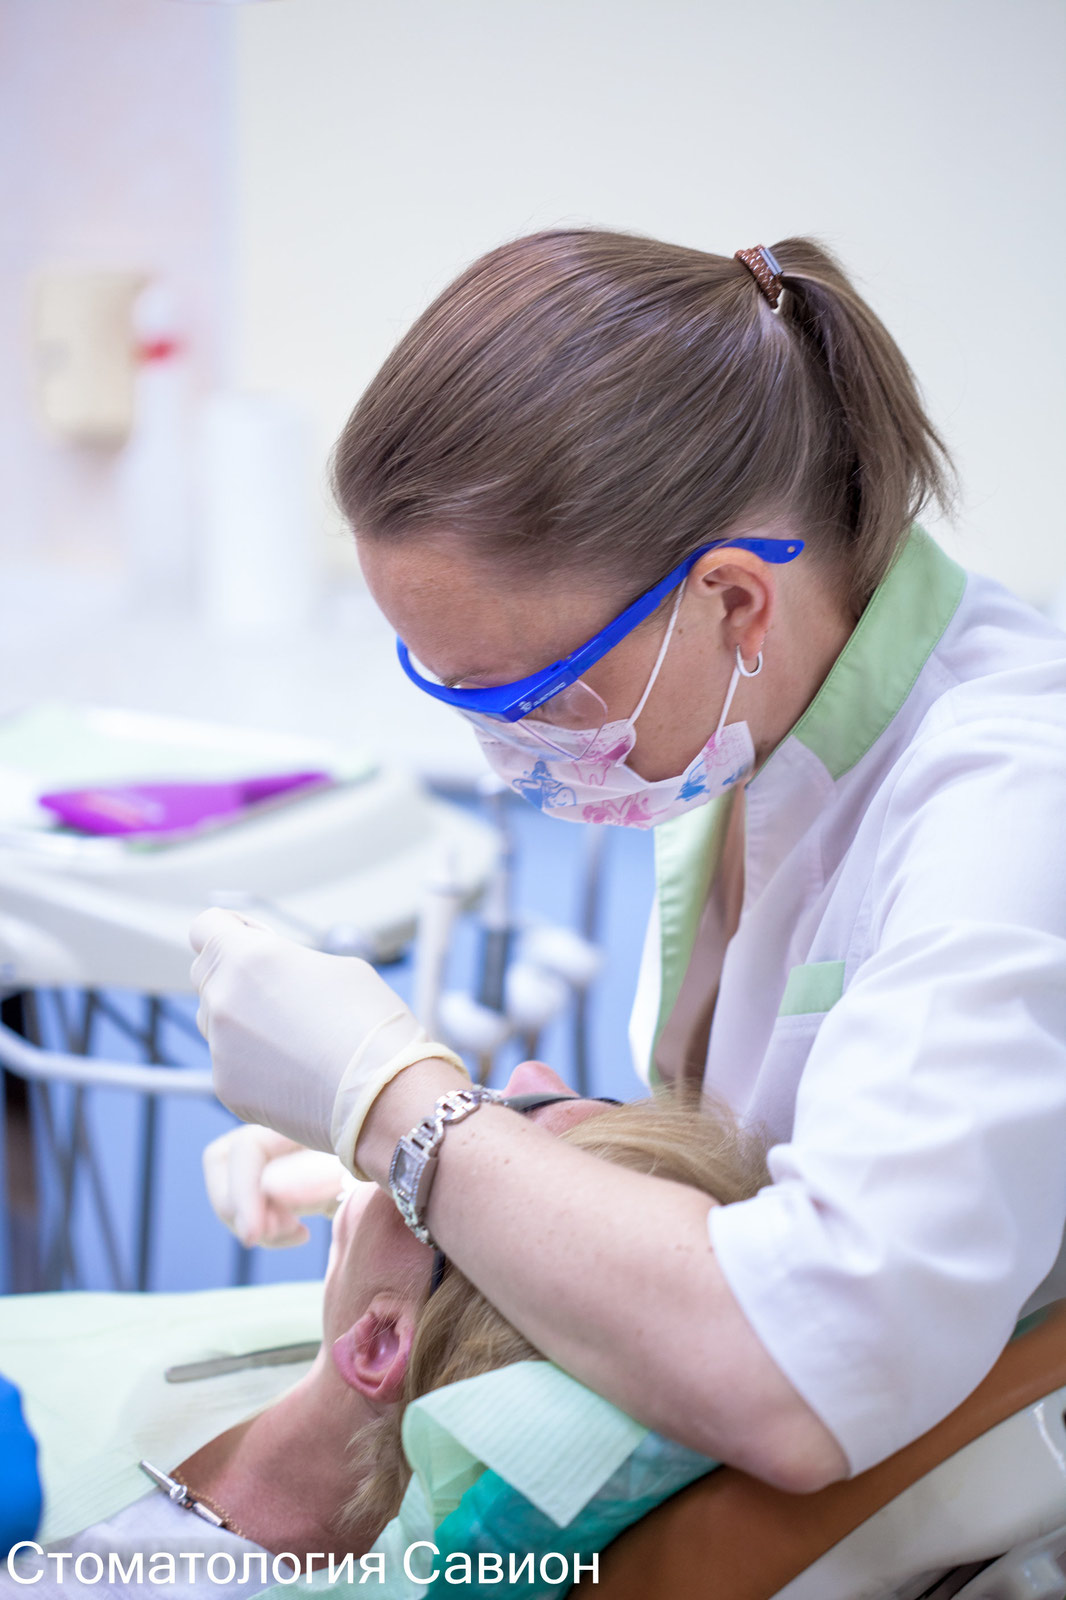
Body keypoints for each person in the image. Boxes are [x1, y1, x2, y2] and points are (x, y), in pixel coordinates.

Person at [191, 229, 1066, 1495]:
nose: (512, 757)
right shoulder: (745, 722)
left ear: (732, 601)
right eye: (461, 696)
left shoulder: (1013, 800)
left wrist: (405, 1117)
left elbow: (814, 1365)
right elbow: (769, 1162)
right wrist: (454, 1182)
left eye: (537, 695)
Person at [1, 1073, 764, 1598]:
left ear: (377, 1347)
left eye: (508, 1125)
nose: (526, 1070)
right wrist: (390, 1185)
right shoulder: (365, 1341)